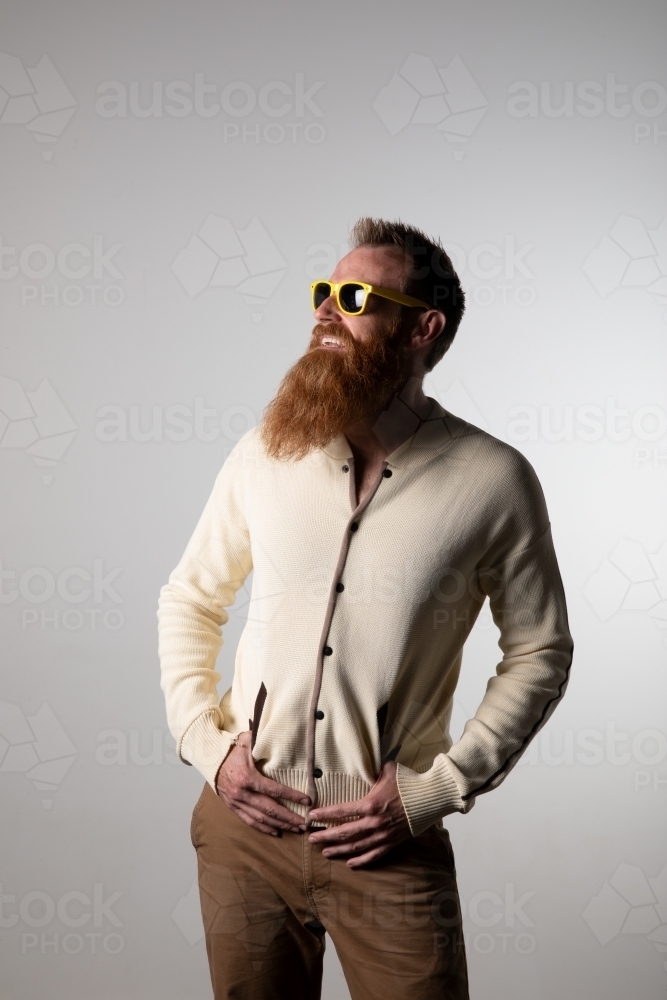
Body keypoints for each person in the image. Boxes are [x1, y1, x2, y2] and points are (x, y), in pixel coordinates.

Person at [158, 217, 573, 1000]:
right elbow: (190, 596)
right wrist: (204, 744)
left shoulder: (494, 479)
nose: (323, 311)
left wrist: (436, 789)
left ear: (422, 328)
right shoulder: (266, 450)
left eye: (353, 296)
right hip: (243, 829)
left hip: (385, 844)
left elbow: (540, 651)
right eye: (323, 291)